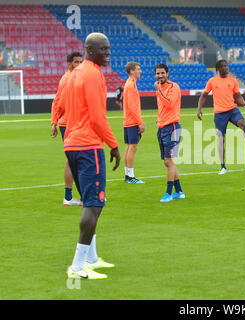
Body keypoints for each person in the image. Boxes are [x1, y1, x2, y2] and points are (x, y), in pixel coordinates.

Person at [63, 33, 121, 280]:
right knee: (94, 204)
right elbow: (98, 118)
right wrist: (114, 144)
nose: (107, 53)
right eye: (103, 49)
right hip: (89, 146)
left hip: (73, 144)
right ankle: (77, 267)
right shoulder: (93, 74)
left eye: (109, 49)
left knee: (89, 202)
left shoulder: (74, 74)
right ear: (89, 50)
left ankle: (91, 258)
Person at [197, 59, 245, 175]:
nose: (226, 68)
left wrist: (243, 103)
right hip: (219, 114)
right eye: (223, 66)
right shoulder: (212, 81)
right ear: (218, 69)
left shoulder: (233, 80)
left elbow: (237, 95)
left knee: (244, 126)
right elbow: (204, 95)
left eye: (226, 66)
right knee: (221, 138)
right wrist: (199, 109)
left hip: (233, 110)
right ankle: (223, 167)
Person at [51, 51, 83, 206]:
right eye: (76, 62)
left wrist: (54, 122)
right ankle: (83, 196)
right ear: (69, 63)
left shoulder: (66, 77)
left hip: (67, 124)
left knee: (72, 160)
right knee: (78, 160)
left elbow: (56, 101)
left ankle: (69, 197)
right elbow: (59, 102)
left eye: (80, 62)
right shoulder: (71, 78)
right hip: (72, 124)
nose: (79, 65)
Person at [155, 63, 185, 203]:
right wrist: (158, 119)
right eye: (158, 73)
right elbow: (162, 107)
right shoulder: (160, 88)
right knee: (168, 162)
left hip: (172, 127)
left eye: (162, 73)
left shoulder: (174, 87)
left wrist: (159, 92)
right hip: (162, 128)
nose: (160, 76)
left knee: (168, 160)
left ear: (167, 73)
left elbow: (169, 104)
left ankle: (168, 193)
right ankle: (179, 191)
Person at [123, 62, 146, 184]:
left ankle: (127, 175)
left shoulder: (128, 84)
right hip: (132, 121)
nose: (140, 71)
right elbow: (132, 106)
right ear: (132, 71)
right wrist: (140, 122)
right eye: (138, 69)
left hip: (128, 121)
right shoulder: (131, 85)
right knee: (133, 147)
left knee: (128, 147)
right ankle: (131, 176)